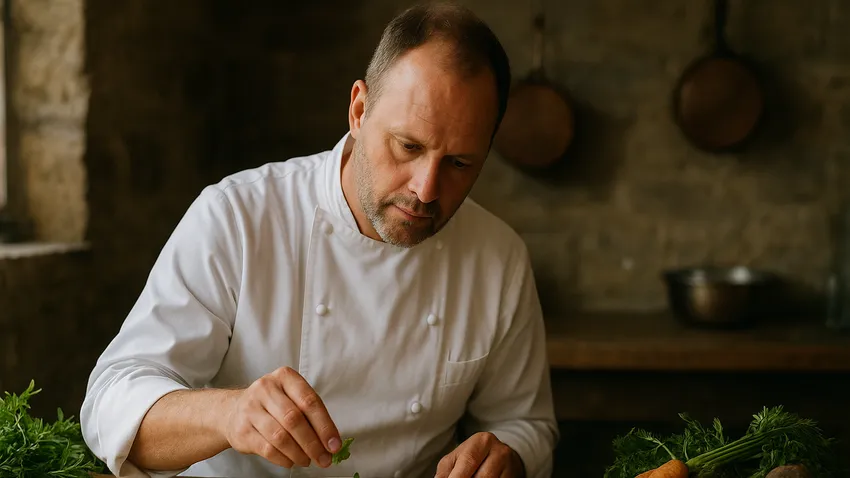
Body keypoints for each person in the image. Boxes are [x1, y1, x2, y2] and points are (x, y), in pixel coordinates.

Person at [80, 3, 559, 477]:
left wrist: (506, 457)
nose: (426, 189)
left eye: (459, 163)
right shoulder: (239, 217)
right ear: (358, 109)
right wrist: (227, 414)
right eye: (408, 146)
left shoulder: (498, 257)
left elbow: (525, 422)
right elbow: (111, 402)